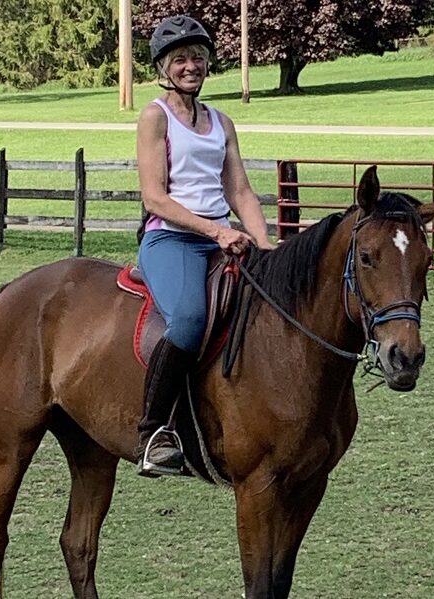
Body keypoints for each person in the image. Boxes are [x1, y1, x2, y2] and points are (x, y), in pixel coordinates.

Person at [136, 15, 274, 477]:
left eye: (197, 57)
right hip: (170, 239)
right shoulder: (155, 116)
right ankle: (154, 432)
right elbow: (154, 196)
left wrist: (264, 240)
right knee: (191, 318)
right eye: (180, 59)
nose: (190, 66)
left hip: (225, 238)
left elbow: (240, 192)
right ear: (163, 67)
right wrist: (216, 232)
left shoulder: (221, 121)